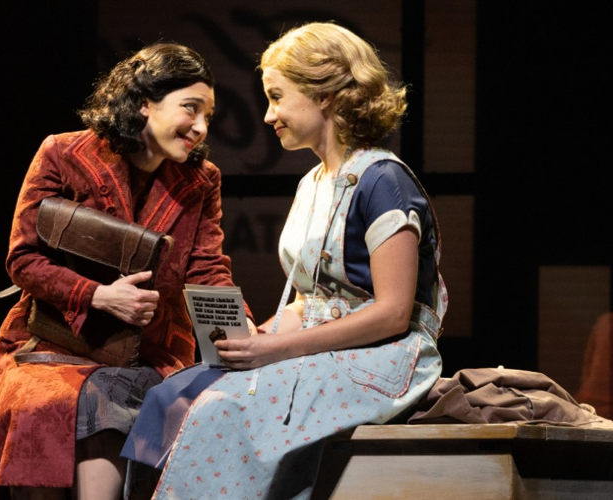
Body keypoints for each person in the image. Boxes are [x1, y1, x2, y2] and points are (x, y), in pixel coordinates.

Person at [121, 22, 448, 499]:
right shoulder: (311, 184)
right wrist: (258, 337)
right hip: (323, 348)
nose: (268, 115)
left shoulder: (383, 181)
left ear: (325, 96)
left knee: (223, 406)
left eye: (277, 97)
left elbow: (393, 313)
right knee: (174, 393)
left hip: (384, 355)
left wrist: (276, 350)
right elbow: (308, 301)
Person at [0, 42, 254, 499]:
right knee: (43, 407)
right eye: (191, 108)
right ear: (144, 101)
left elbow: (206, 270)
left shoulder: (201, 179)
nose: (201, 127)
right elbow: (23, 259)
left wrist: (238, 332)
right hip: (56, 344)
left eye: (208, 115)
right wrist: (98, 295)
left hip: (149, 349)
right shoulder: (63, 153)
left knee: (122, 395)